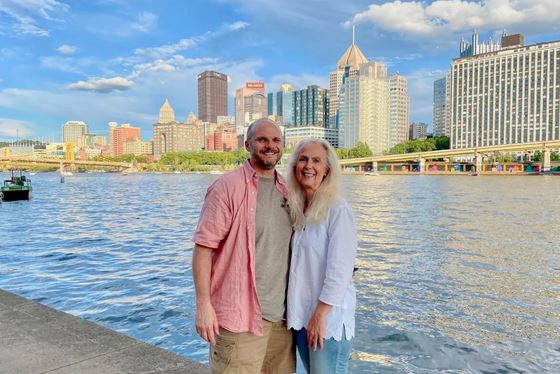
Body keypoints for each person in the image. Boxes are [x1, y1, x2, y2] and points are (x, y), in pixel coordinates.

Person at [192, 118, 295, 374]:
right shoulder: (226, 187)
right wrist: (203, 306)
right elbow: (203, 249)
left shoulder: (288, 190)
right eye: (262, 140)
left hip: (282, 320)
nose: (270, 146)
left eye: (275, 140)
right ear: (248, 144)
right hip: (239, 320)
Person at [286, 138, 357, 374]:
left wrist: (320, 315)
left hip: (327, 319)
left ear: (327, 170)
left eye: (317, 161)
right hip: (304, 316)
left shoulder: (338, 209)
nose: (309, 166)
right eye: (303, 159)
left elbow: (340, 270)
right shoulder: (300, 209)